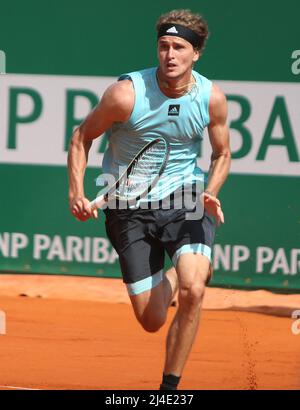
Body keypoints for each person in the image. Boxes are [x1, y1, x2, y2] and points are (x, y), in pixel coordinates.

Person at [68, 9, 231, 390]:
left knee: (195, 290)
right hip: (126, 206)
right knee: (152, 319)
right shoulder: (125, 95)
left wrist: (211, 191)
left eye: (179, 47)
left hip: (186, 196)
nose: (169, 55)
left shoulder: (211, 98)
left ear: (196, 54)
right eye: (163, 46)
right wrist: (77, 192)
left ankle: (169, 390)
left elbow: (222, 154)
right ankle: (182, 271)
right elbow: (81, 137)